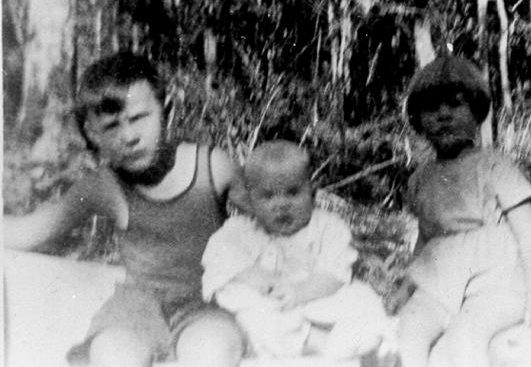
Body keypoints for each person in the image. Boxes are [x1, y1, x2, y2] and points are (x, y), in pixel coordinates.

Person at [4, 51, 245, 367]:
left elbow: (277, 221)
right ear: (93, 134)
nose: (129, 137)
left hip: (206, 304)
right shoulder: (104, 186)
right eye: (112, 126)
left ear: (166, 111)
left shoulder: (211, 167)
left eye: (139, 118)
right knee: (114, 352)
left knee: (212, 348)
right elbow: (29, 231)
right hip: (135, 310)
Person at [396, 55, 531, 367]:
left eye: (456, 104)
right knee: (408, 329)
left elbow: (528, 233)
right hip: (440, 280)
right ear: (419, 120)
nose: (443, 114)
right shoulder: (421, 178)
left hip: (494, 282)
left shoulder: (494, 165)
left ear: (476, 112)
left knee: (464, 337)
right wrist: (408, 286)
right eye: (432, 108)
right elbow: (425, 240)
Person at [201, 140, 391, 362]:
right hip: (272, 306)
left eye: (292, 193)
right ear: (251, 200)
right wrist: (261, 279)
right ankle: (314, 342)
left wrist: (300, 292)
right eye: (268, 196)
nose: (281, 204)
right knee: (248, 314)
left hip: (319, 297)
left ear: (312, 192)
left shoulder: (328, 227)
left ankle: (355, 341)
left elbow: (334, 273)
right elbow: (221, 260)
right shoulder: (240, 230)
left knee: (363, 297)